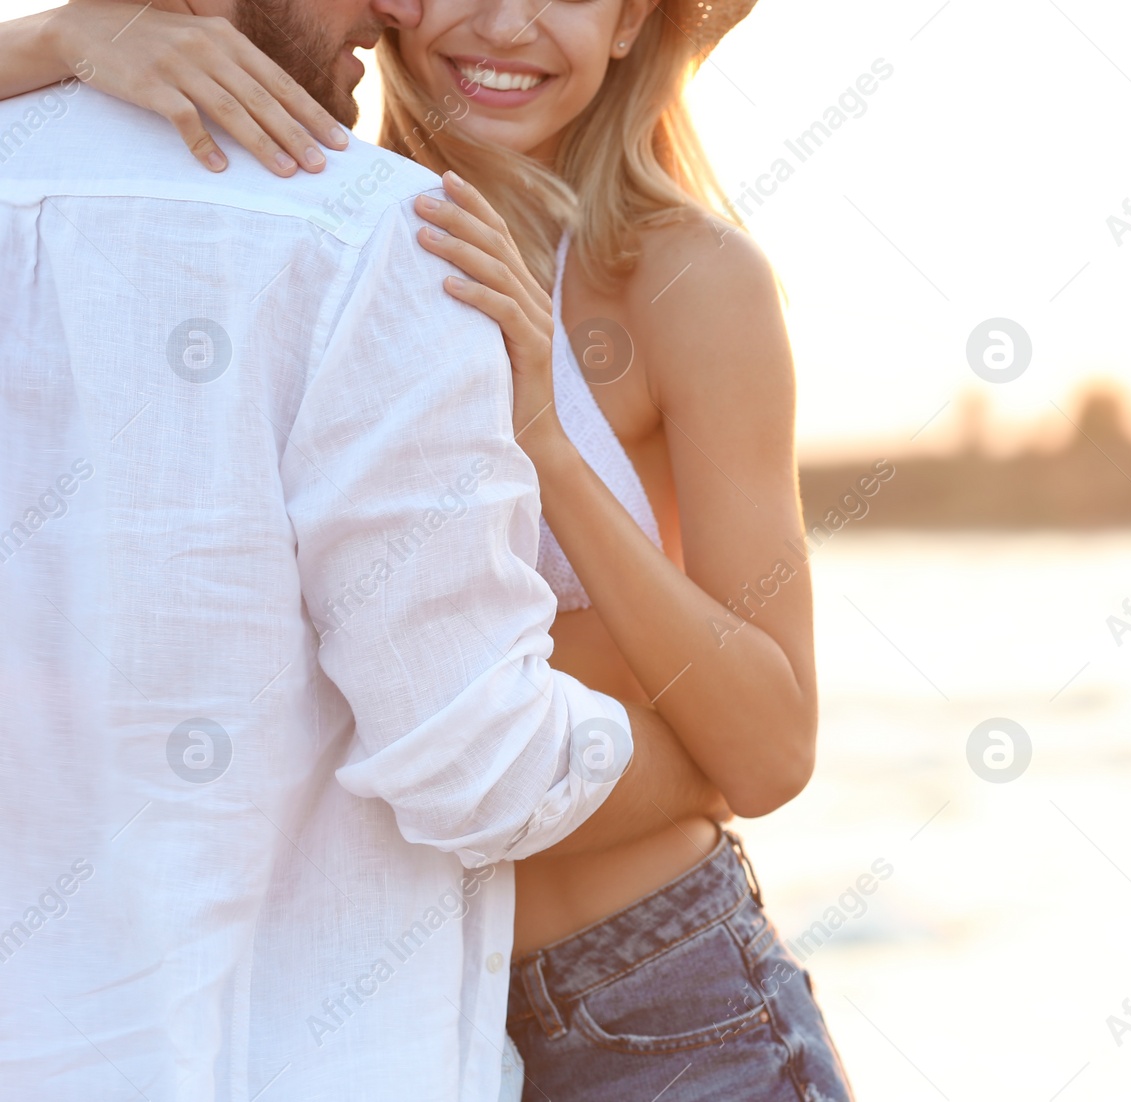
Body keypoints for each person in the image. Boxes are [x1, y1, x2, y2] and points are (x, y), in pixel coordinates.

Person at [2, 0, 854, 1099]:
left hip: (658, 996)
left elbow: (776, 746)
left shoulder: (684, 280)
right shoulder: (330, 225)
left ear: (635, 21)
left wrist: (545, 439)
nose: (504, 26)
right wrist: (61, 38)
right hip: (396, 1017)